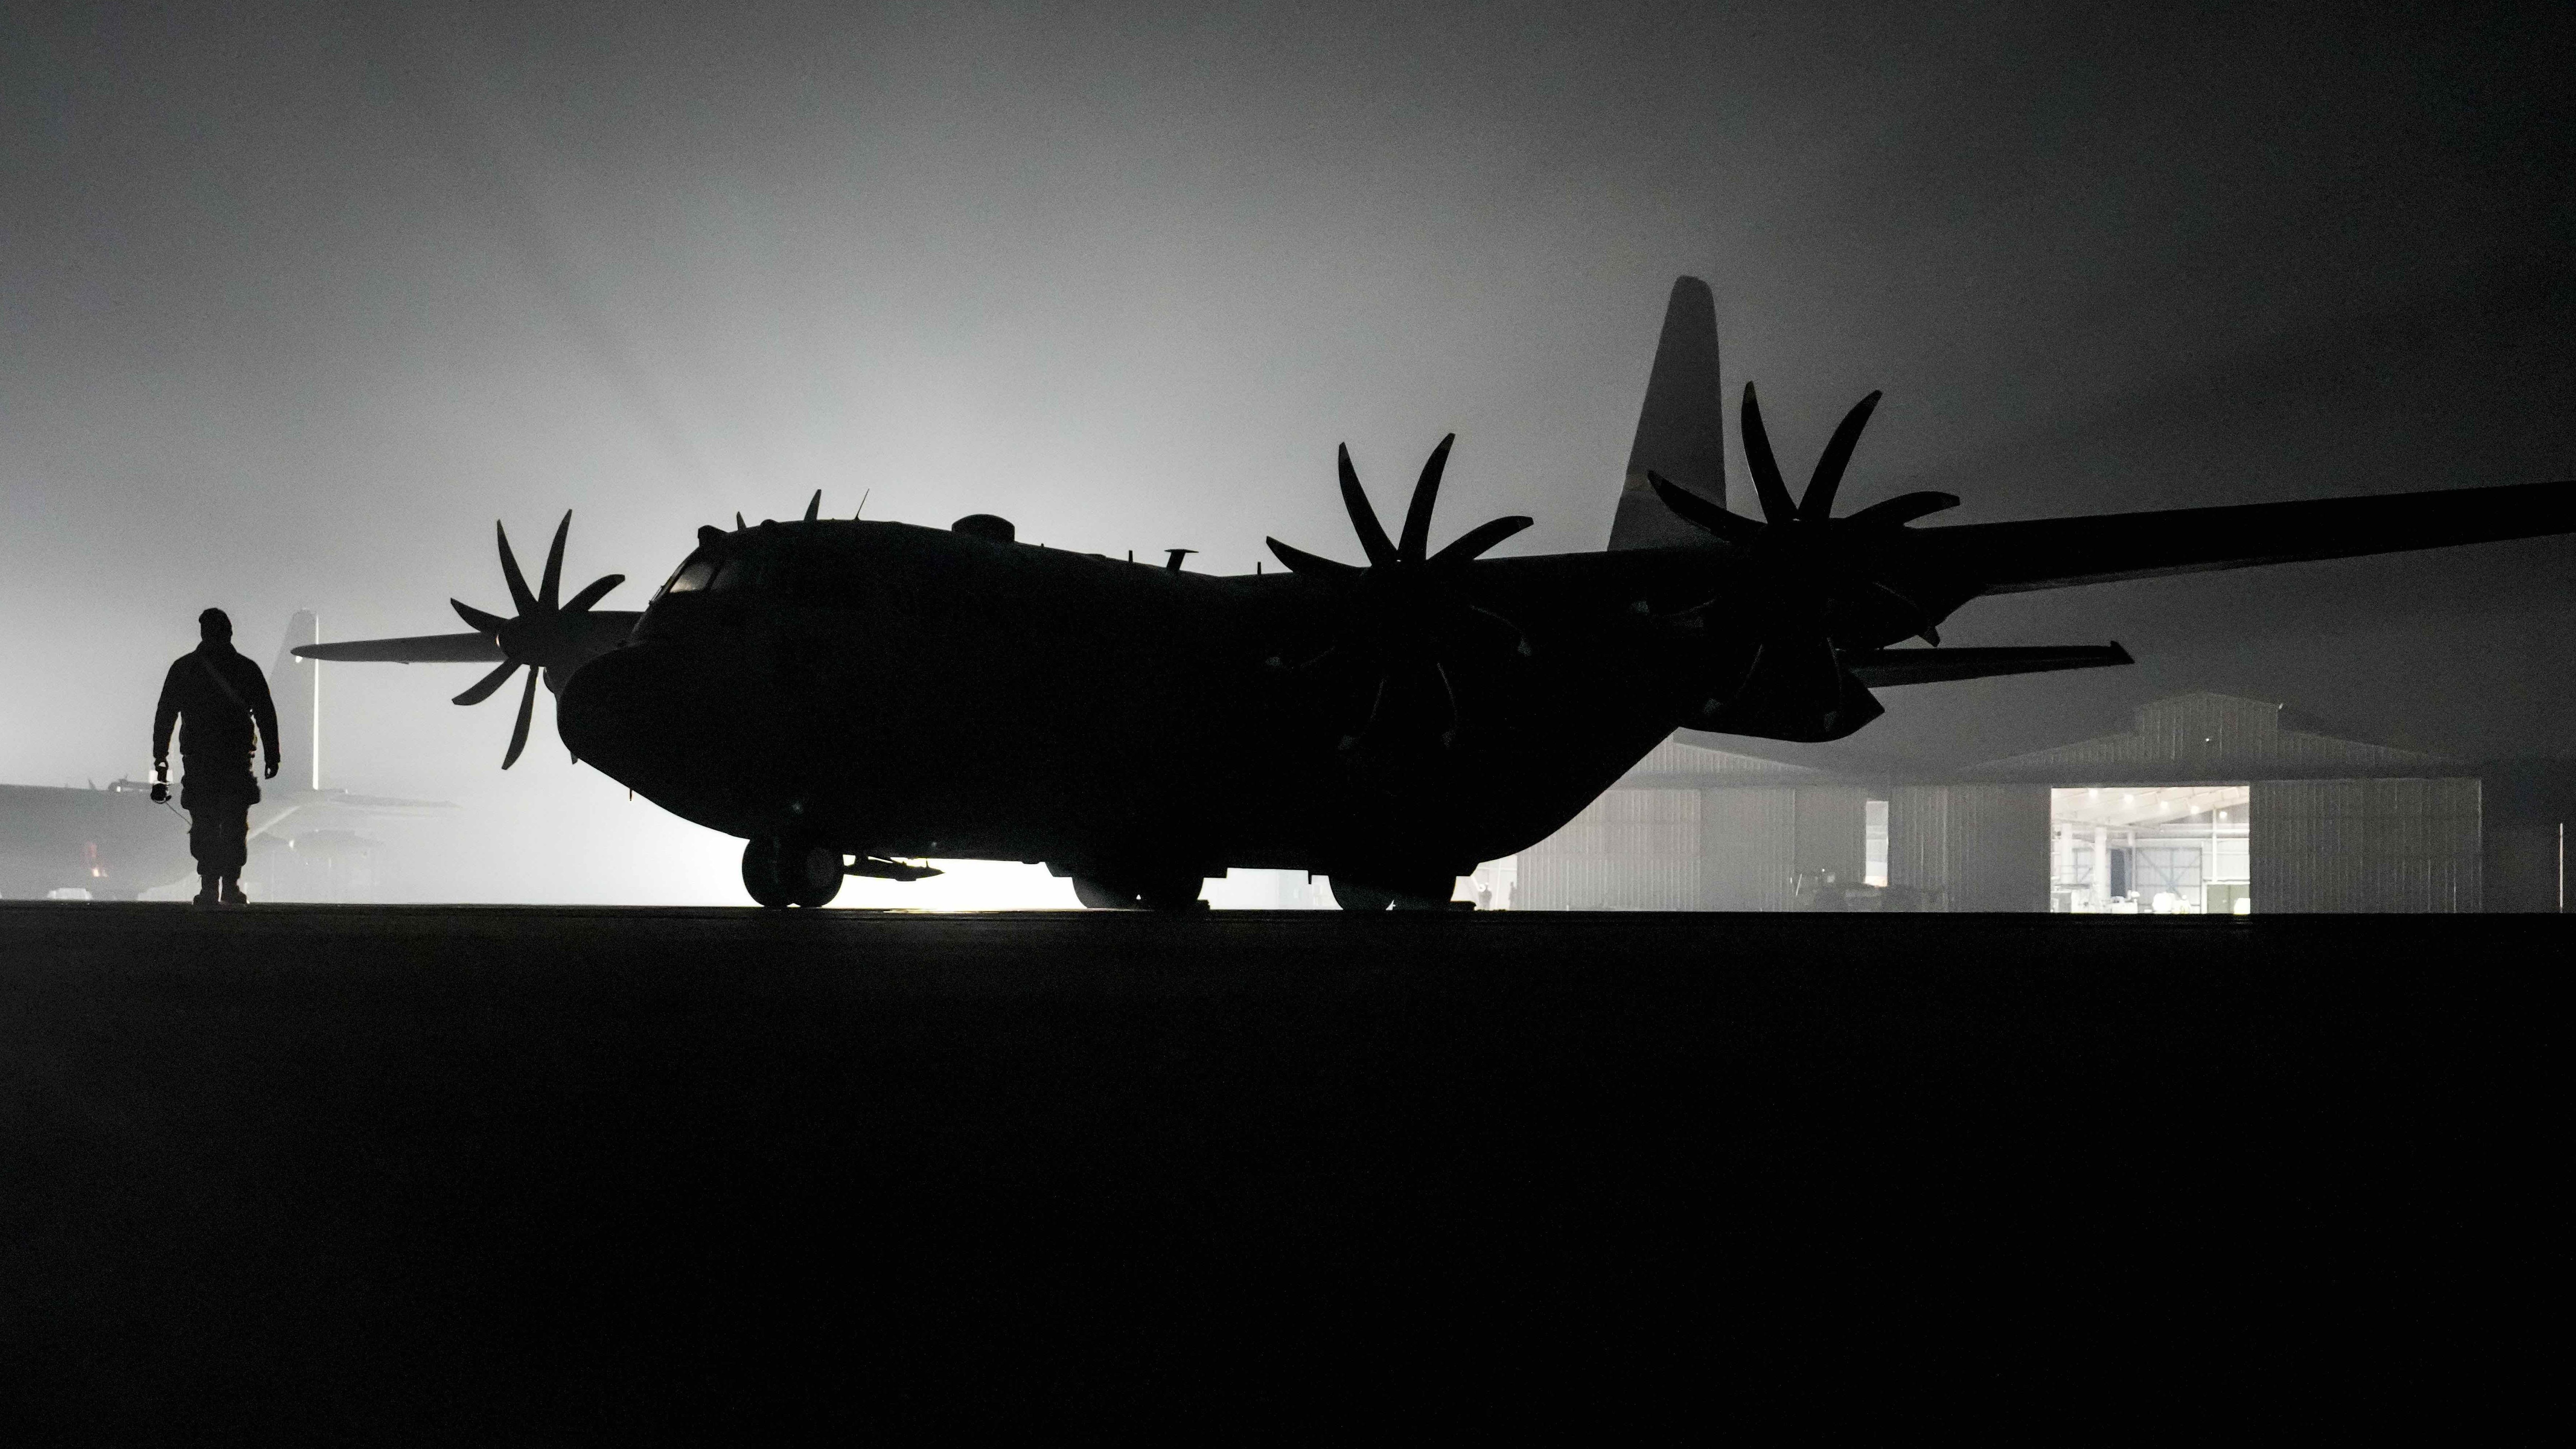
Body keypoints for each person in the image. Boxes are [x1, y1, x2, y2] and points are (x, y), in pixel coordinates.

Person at [152, 608, 281, 905]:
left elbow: (166, 716)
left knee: (205, 823)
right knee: (235, 823)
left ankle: (210, 886)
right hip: (236, 760)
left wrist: (161, 757)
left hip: (200, 761)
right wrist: (272, 753)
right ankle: (230, 886)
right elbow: (265, 714)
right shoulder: (247, 669)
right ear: (230, 632)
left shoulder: (184, 669)